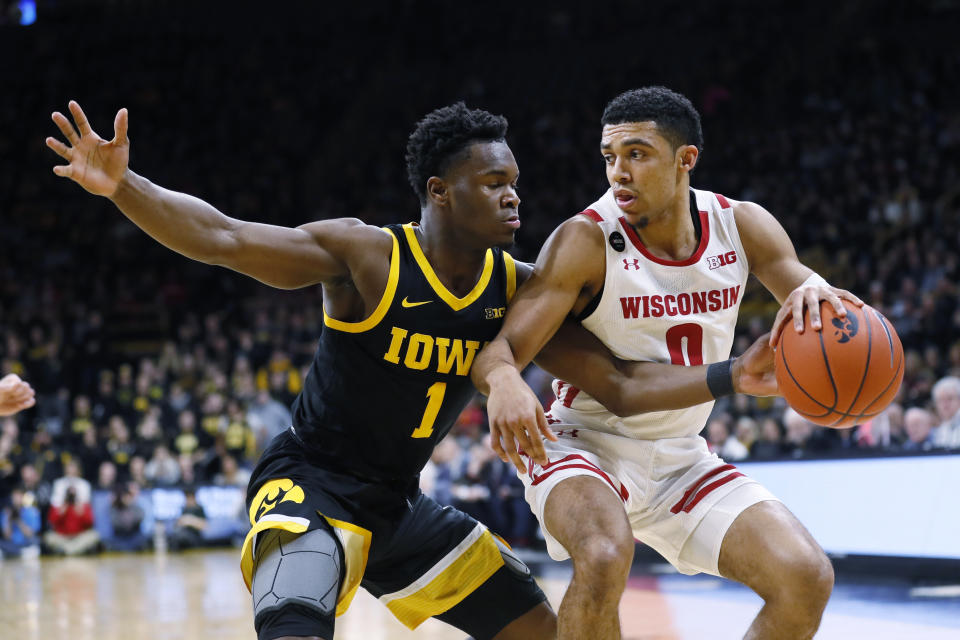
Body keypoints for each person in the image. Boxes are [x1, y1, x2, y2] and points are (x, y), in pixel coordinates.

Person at [47, 98, 778, 640]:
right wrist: (124, 186)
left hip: (399, 505)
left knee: (544, 633)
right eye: (492, 182)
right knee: (295, 625)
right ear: (439, 192)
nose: (513, 194)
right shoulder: (367, 256)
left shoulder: (516, 290)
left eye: (514, 180)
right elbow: (222, 238)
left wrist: (731, 374)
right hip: (310, 485)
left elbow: (617, 384)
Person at [472, 87, 864, 639]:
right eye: (609, 157)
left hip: (681, 458)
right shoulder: (585, 239)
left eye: (637, 154)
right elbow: (501, 348)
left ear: (686, 160)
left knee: (806, 576)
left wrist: (826, 302)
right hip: (584, 443)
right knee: (605, 555)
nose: (618, 173)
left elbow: (816, 296)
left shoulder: (742, 224)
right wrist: (506, 379)